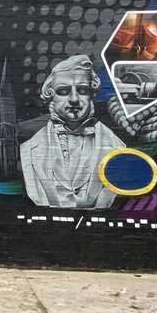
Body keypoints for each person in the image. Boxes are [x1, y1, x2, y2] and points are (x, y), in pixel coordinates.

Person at [19, 54, 125, 210]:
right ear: (51, 95)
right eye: (63, 91)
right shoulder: (29, 149)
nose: (74, 99)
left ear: (92, 94)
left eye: (82, 90)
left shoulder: (117, 148)